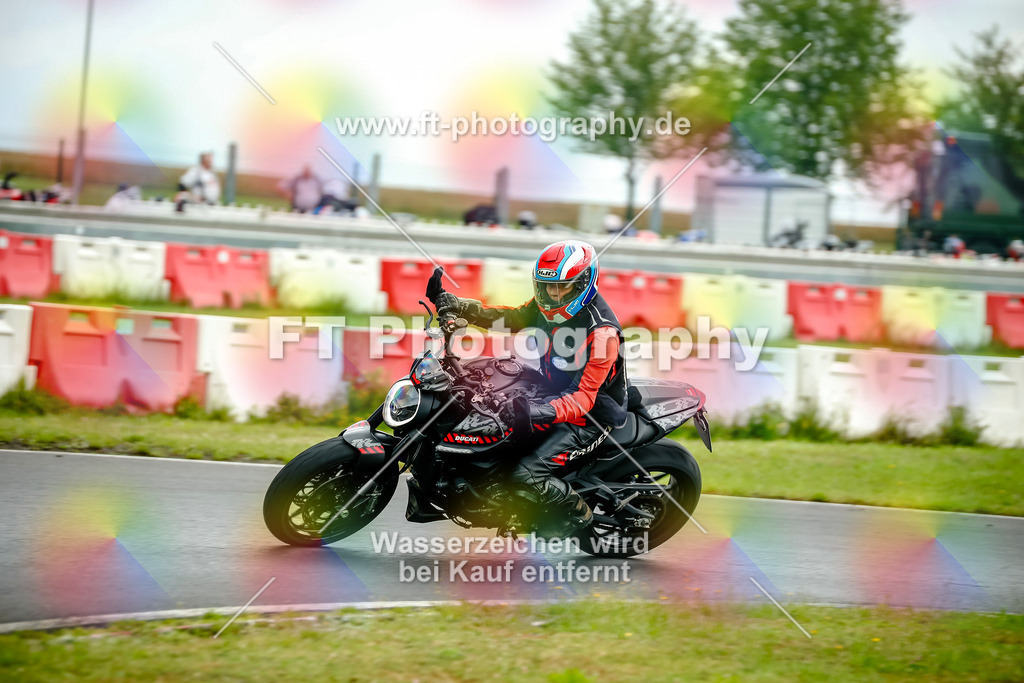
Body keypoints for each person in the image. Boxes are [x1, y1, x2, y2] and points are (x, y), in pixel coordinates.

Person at [425, 240, 627, 538]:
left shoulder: (602, 335)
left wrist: (536, 411)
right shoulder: (548, 304)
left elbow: (584, 399)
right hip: (549, 387)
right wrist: (458, 304)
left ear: (584, 282)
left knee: (526, 473)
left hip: (590, 417)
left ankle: (576, 517)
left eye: (563, 288)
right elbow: (513, 318)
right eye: (547, 287)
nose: (553, 295)